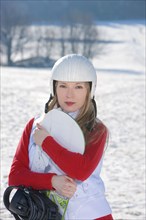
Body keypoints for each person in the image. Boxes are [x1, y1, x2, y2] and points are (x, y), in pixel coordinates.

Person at [8, 54, 113, 220]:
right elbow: (15, 176)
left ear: (89, 90)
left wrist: (46, 142)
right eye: (63, 86)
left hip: (91, 215)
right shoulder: (34, 125)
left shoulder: (97, 129)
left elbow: (80, 171)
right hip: (44, 213)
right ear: (54, 87)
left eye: (78, 87)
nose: (69, 94)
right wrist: (52, 181)